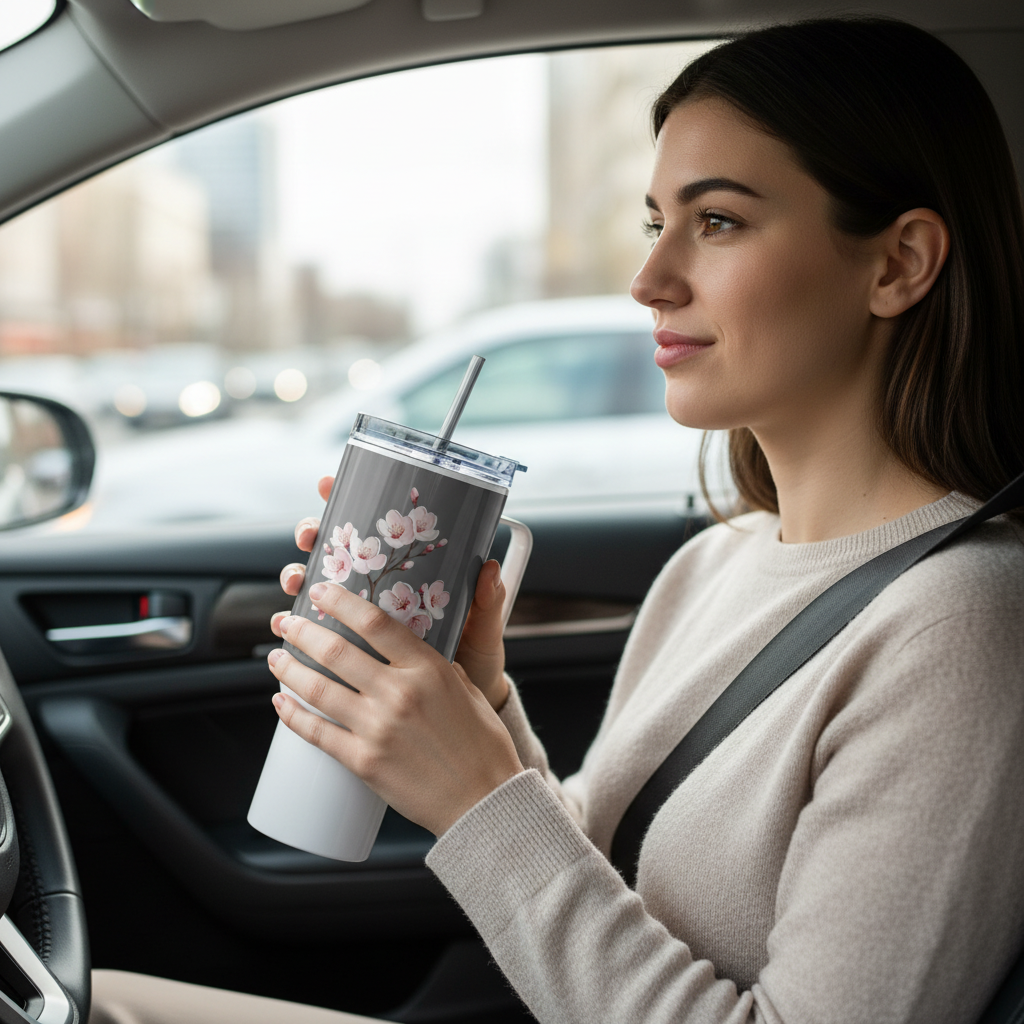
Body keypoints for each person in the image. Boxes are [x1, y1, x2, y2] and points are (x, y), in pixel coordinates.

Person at [90, 16, 1024, 1024]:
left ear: (898, 264)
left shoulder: (961, 625)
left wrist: (473, 795)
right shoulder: (716, 562)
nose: (648, 279)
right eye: (653, 220)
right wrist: (479, 704)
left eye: (716, 221)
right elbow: (607, 875)